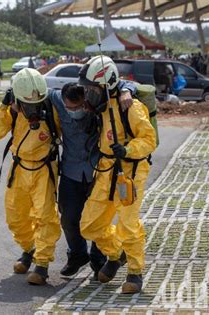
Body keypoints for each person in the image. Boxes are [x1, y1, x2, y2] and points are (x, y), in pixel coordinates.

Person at [77, 56, 157, 294]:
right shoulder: (101, 106)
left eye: (92, 90)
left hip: (130, 172)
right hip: (105, 169)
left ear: (106, 85)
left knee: (128, 223)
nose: (89, 95)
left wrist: (129, 149)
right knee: (89, 225)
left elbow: (148, 139)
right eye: (87, 90)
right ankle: (115, 254)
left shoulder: (130, 107)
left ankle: (135, 272)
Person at [48, 80, 137, 278]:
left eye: (79, 106)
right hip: (71, 171)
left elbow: (124, 82)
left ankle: (99, 259)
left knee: (97, 218)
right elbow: (33, 90)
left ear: (86, 100)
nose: (74, 111)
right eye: (69, 107)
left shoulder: (97, 102)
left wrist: (125, 91)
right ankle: (77, 254)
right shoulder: (56, 99)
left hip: (98, 171)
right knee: (69, 218)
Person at [0, 68, 61, 285]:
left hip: (44, 168)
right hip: (19, 168)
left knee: (45, 216)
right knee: (15, 216)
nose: (32, 110)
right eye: (27, 105)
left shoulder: (51, 108)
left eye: (36, 105)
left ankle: (42, 264)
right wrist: (5, 108)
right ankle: (29, 249)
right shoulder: (11, 110)